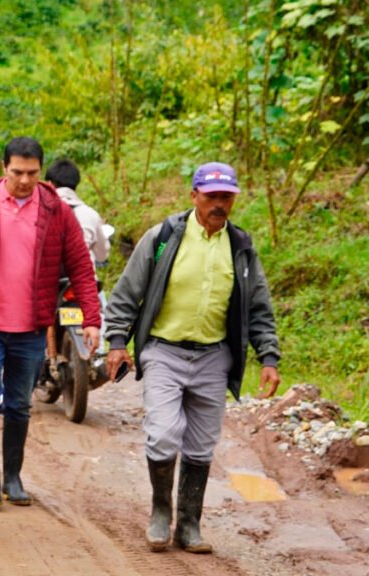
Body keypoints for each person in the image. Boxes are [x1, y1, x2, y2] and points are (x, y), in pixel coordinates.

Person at [104, 161, 281, 554]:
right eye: (211, 196)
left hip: (214, 357)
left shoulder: (240, 246)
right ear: (194, 195)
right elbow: (127, 292)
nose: (219, 204)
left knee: (201, 445)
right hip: (164, 351)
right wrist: (117, 341)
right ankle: (160, 513)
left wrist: (269, 358)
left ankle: (188, 524)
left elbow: (259, 308)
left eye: (226, 197)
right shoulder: (163, 237)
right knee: (164, 434)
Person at [0, 137, 101, 510]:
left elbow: (80, 265)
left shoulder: (56, 210)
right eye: (17, 172)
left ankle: (12, 476)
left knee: (19, 403)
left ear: (41, 171)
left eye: (32, 173)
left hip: (30, 326)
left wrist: (91, 317)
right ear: (3, 168)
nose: (24, 180)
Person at [43, 158, 111, 368]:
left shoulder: (40, 210)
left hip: (50, 280)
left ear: (49, 183)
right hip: (82, 280)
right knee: (100, 306)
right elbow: (102, 254)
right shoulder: (90, 214)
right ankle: (100, 355)